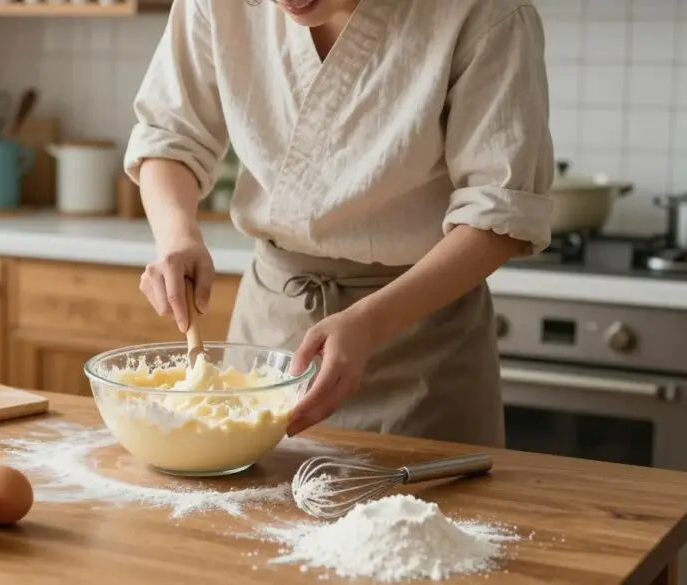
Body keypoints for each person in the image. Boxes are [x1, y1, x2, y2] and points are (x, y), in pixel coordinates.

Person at [124, 0, 554, 448]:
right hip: (270, 337)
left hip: (421, 351)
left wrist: (370, 323)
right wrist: (177, 236)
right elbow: (169, 136)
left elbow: (497, 214)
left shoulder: (486, 12)